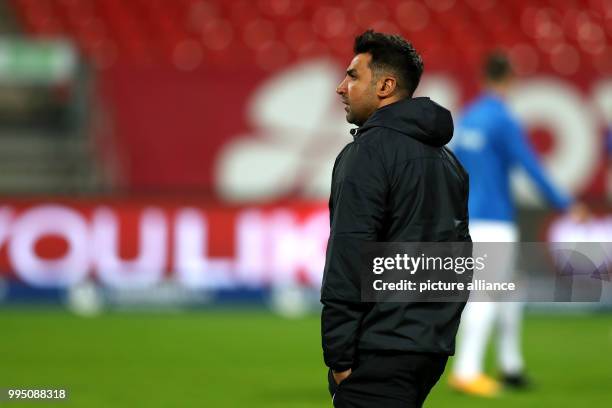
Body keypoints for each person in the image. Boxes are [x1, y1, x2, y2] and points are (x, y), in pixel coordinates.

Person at [320, 30, 470, 408]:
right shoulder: (448, 162)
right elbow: (458, 260)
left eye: (353, 76)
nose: (340, 87)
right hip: (428, 348)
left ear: (386, 85)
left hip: (379, 347)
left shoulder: (367, 154)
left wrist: (339, 359)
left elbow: (349, 254)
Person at [449, 52, 588, 397]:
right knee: (486, 294)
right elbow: (532, 167)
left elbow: (451, 169)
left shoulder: (467, 119)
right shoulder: (503, 120)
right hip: (495, 221)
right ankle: (466, 371)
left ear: (483, 79)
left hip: (468, 218)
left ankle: (511, 366)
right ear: (510, 79)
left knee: (511, 289)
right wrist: (566, 204)